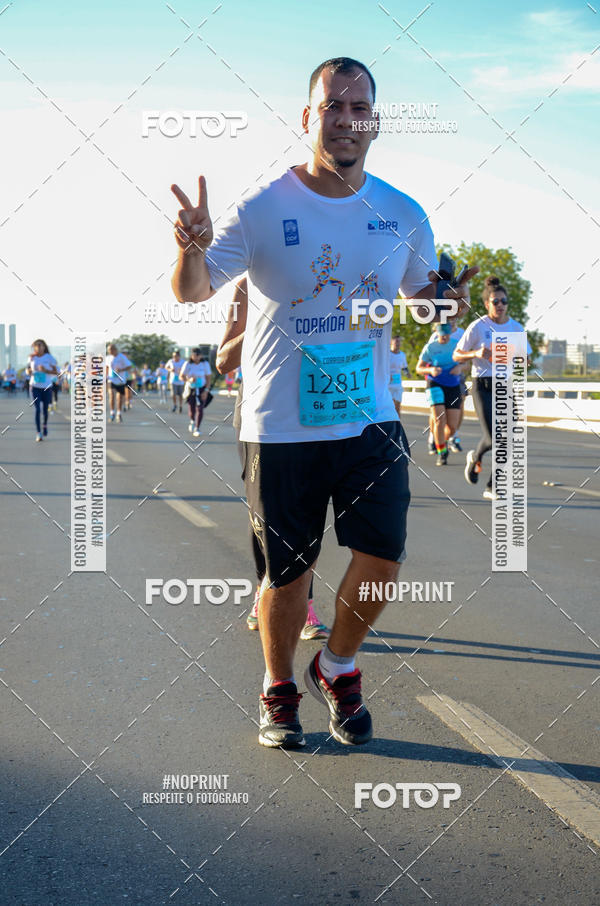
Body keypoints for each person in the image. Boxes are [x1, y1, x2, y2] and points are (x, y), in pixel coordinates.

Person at [171, 56, 477, 749]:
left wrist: (447, 303)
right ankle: (279, 688)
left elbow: (424, 301)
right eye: (331, 106)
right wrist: (189, 248)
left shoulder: (401, 212)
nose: (345, 118)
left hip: (369, 415)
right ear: (309, 118)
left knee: (383, 558)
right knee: (289, 574)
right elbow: (192, 291)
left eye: (358, 107)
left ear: (373, 120)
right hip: (280, 424)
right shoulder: (263, 206)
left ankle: (336, 664)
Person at [217, 277, 330, 641]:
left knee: (310, 510)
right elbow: (223, 360)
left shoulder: (323, 276)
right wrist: (267, 323)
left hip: (312, 407)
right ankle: (263, 594)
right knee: (263, 513)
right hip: (259, 413)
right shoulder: (248, 286)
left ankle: (304, 607)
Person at [454, 276, 531, 500]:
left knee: (509, 438)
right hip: (483, 385)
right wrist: (476, 353)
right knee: (494, 438)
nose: (500, 305)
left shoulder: (515, 328)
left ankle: (493, 486)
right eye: (495, 301)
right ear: (487, 304)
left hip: (505, 387)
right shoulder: (478, 327)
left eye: (504, 301)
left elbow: (525, 361)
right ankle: (476, 457)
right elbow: (456, 355)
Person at [416, 323, 464, 465]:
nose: (444, 337)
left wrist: (460, 367)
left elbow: (467, 363)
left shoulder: (457, 345)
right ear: (436, 333)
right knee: (438, 419)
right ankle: (442, 452)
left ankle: (441, 440)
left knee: (452, 426)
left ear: (450, 333)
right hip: (435, 383)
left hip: (453, 384)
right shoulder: (430, 347)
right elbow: (419, 368)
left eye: (446, 334)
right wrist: (430, 371)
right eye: (441, 334)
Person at [27, 339, 58, 441]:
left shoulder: (49, 358)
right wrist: (29, 371)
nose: (39, 347)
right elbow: (28, 369)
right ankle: (38, 433)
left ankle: (44, 425)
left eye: (41, 345)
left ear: (44, 347)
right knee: (37, 409)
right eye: (37, 345)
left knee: (45, 409)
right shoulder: (31, 358)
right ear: (34, 347)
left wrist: (46, 370)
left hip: (46, 387)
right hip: (34, 386)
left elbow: (56, 372)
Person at [180, 348, 211, 436]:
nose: (196, 357)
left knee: (200, 408)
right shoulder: (188, 364)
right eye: (194, 355)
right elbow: (181, 376)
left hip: (202, 388)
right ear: (191, 356)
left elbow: (208, 378)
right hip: (191, 389)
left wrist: (206, 390)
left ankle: (197, 428)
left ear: (201, 356)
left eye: (198, 355)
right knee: (192, 409)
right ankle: (192, 421)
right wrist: (189, 379)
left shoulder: (205, 364)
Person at [106, 343, 133, 422]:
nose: (109, 351)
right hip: (111, 379)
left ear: (114, 350)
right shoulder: (108, 358)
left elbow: (129, 366)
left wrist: (121, 370)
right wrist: (106, 375)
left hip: (121, 380)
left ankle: (119, 413)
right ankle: (112, 413)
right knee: (111, 395)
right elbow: (106, 367)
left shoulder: (122, 357)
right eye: (108, 350)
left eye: (110, 350)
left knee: (119, 398)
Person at [388, 335, 410, 417]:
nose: (398, 344)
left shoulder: (402, 355)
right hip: (388, 385)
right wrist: (388, 375)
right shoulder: (387, 354)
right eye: (396, 342)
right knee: (390, 407)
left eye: (399, 342)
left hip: (397, 384)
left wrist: (407, 373)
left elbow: (404, 367)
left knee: (397, 407)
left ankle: (397, 427)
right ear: (391, 343)